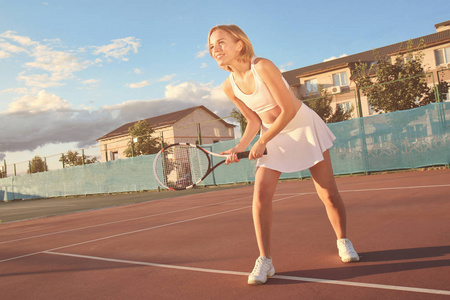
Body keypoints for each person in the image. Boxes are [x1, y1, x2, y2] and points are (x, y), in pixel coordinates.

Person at [208, 24, 359, 285]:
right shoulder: (228, 86)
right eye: (211, 46)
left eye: (221, 42)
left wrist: (262, 141)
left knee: (328, 194)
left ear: (239, 44)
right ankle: (265, 260)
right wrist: (240, 146)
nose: (215, 49)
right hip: (272, 135)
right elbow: (253, 121)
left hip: (302, 127)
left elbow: (287, 109)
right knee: (260, 197)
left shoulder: (263, 66)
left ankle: (343, 240)